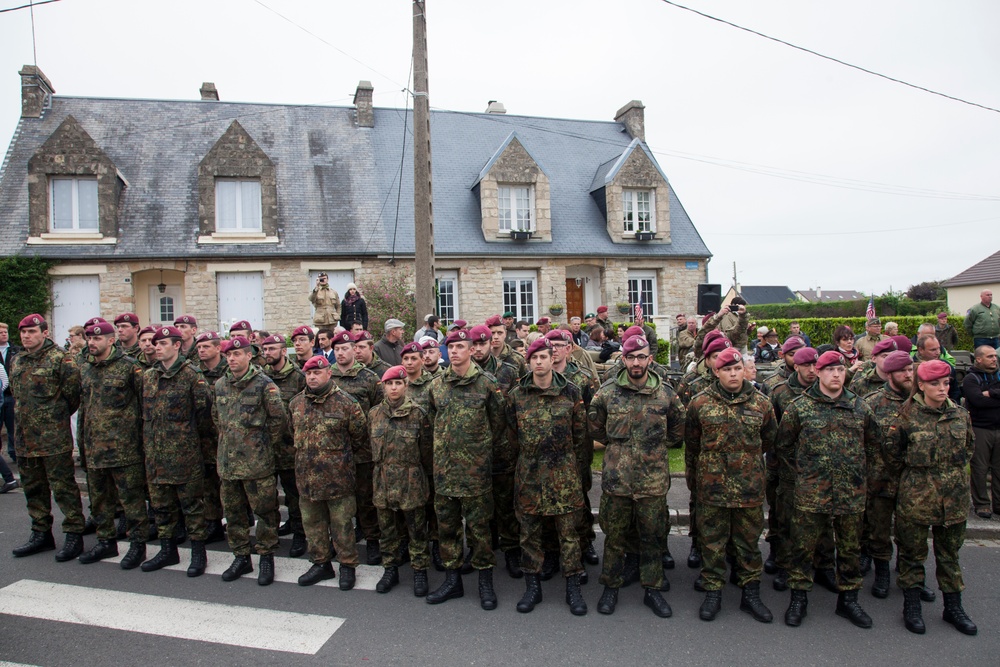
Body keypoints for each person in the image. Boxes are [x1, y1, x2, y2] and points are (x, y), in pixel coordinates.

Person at [776, 351, 879, 629]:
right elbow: (783, 446)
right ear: (818, 373)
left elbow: (872, 445)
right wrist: (803, 473)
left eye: (841, 369)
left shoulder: (860, 408)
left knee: (849, 549)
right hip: (812, 492)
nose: (836, 374)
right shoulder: (800, 407)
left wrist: (859, 476)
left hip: (850, 493)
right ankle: (799, 598)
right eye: (830, 369)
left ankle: (849, 600)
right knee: (803, 548)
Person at [589, 335, 684, 618]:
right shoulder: (607, 393)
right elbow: (595, 428)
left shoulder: (666, 394)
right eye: (631, 357)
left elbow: (678, 431)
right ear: (624, 360)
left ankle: (652, 588)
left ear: (649, 359)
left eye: (641, 357)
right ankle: (611, 587)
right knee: (614, 537)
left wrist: (651, 450)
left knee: (652, 536)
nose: (636, 362)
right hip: (617, 481)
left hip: (652, 481)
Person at [884, 359, 977, 636]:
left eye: (946, 383)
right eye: (934, 383)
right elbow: (892, 454)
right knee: (912, 555)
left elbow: (968, 449)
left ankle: (953, 607)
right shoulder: (906, 416)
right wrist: (917, 479)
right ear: (921, 385)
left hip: (954, 500)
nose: (942, 388)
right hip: (917, 499)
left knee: (949, 556)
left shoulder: (960, 415)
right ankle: (912, 606)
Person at [686, 348, 777, 623]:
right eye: (727, 369)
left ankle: (751, 593)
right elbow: (692, 444)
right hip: (712, 489)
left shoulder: (761, 403)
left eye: (737, 368)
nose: (733, 374)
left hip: (748, 488)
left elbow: (770, 439)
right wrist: (698, 478)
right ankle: (713, 592)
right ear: (717, 372)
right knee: (712, 543)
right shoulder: (700, 403)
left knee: (749, 543)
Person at [425, 328, 508, 610]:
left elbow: (497, 424)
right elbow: (432, 420)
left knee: (480, 530)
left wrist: (478, 451)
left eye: (461, 346)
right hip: (445, 473)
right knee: (447, 530)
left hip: (475, 474)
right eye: (452, 347)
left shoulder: (487, 384)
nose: (456, 351)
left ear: (472, 350)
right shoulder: (437, 385)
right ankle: (452, 581)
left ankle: (485, 581)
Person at [507, 338, 588, 615]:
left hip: (563, 477)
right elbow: (511, 435)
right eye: (534, 358)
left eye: (544, 356)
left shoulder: (570, 391)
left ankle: (573, 587)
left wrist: (571, 468)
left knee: (568, 535)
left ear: (553, 358)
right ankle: (532, 587)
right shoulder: (517, 395)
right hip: (529, 476)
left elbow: (580, 436)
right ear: (528, 362)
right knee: (529, 535)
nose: (539, 362)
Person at [9, 314, 85, 561]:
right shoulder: (18, 360)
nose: (26, 336)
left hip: (54, 439)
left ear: (44, 332)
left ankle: (74, 534)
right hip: (24, 439)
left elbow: (72, 398)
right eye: (23, 332)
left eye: (31, 331)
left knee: (64, 489)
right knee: (33, 488)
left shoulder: (61, 359)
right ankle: (41, 533)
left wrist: (51, 420)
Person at [213, 336, 287, 586]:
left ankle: (266, 557)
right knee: (233, 513)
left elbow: (278, 420)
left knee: (265, 512)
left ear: (248, 355)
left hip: (257, 464)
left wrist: (261, 446)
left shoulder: (265, 385)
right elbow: (217, 418)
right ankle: (241, 556)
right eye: (228, 355)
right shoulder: (221, 385)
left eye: (237, 354)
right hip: (228, 464)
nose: (232, 359)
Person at [288, 355, 367, 589]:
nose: (312, 377)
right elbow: (289, 431)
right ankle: (321, 564)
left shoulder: (347, 404)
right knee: (312, 524)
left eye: (317, 372)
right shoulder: (295, 404)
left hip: (338, 479)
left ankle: (347, 565)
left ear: (329, 373)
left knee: (342, 525)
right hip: (307, 478)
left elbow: (359, 438)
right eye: (308, 373)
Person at [140, 325, 213, 575]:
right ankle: (167, 550)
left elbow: (204, 417)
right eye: (155, 344)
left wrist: (188, 441)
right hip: (156, 456)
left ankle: (198, 552)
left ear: (177, 346)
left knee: (192, 507)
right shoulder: (149, 376)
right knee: (161, 507)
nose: (156, 347)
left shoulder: (193, 376)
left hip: (184, 454)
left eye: (162, 344)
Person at [75, 321, 149, 568]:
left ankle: (138, 545)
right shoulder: (85, 368)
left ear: (110, 340)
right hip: (94, 448)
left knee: (132, 501)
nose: (92, 343)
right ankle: (105, 542)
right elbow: (83, 407)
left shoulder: (130, 368)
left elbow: (144, 407)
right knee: (100, 501)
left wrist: (142, 444)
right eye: (89, 338)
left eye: (97, 338)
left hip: (124, 449)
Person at [370, 366, 433, 596]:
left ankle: (419, 570)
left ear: (406, 385)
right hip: (384, 482)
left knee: (416, 531)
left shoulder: (418, 414)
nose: (394, 388)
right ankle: (390, 569)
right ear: (384, 387)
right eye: (389, 384)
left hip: (411, 483)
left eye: (398, 383)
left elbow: (426, 452)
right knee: (387, 531)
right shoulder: (374, 414)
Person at [861, 350, 919, 600]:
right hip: (880, 480)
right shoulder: (873, 403)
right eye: (903, 371)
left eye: (910, 370)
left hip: (914, 484)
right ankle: (882, 572)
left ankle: (913, 578)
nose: (908, 375)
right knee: (879, 531)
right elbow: (862, 441)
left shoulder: (921, 402)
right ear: (890, 374)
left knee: (912, 535)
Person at [469, 325, 521, 578]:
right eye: (474, 344)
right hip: (472, 455)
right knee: (478, 507)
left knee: (505, 503)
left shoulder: (508, 372)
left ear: (491, 343)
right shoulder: (461, 374)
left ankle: (511, 549)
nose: (478, 348)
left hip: (503, 450)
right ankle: (481, 549)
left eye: (483, 343)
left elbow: (517, 410)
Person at [329, 330, 384, 564]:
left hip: (362, 451)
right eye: (337, 349)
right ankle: (339, 542)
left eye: (345, 348)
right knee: (338, 500)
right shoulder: (326, 375)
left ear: (354, 350)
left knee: (365, 499)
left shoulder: (369, 378)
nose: (341, 353)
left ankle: (372, 540)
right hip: (333, 452)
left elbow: (379, 412)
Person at [261, 333, 307, 557]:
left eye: (272, 349)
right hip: (266, 448)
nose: (268, 353)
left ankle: (300, 533)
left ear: (282, 350)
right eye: (265, 349)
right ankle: (277, 529)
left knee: (294, 494)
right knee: (268, 495)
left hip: (290, 448)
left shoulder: (298, 377)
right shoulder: (261, 378)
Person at [194, 331, 227, 543]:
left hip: (225, 437)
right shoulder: (195, 372)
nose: (201, 350)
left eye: (206, 346)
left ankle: (240, 520)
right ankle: (213, 522)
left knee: (229, 483)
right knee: (208, 482)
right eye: (199, 347)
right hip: (203, 436)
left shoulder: (228, 371)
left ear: (218, 348)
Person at [962, 345, 1000, 519]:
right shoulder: (971, 378)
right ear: (979, 359)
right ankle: (982, 504)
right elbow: (977, 400)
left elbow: (984, 398)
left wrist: (990, 393)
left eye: (995, 356)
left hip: (998, 427)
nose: (994, 359)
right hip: (981, 428)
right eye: (990, 356)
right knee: (980, 468)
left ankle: (998, 504)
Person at [912, 335, 961, 402]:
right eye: (933, 350)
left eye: (939, 348)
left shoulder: (947, 366)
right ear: (921, 350)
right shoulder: (911, 368)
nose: (938, 352)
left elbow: (955, 391)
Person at [1, 321, 21, 463]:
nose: (4, 334)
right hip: (0, 394)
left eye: (5, 332)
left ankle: (14, 454)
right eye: (1, 332)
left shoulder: (15, 350)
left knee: (12, 427)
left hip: (11, 395)